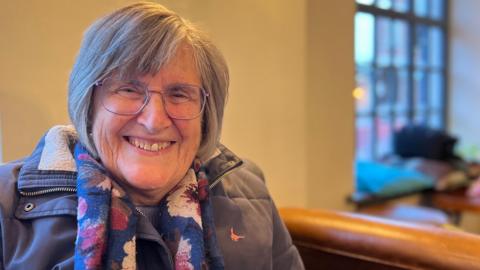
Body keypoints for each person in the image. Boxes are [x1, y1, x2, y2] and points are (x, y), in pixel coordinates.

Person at [0, 2, 303, 270]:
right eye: (129, 89)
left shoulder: (251, 191)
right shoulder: (5, 203)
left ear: (206, 113)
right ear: (88, 104)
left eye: (179, 93)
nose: (154, 120)